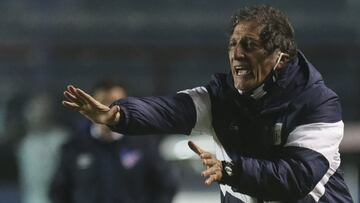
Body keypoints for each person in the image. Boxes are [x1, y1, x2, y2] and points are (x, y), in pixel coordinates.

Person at [62, 5, 353, 203]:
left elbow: (298, 177)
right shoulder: (221, 98)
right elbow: (170, 109)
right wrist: (118, 115)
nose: (237, 54)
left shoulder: (317, 103)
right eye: (233, 44)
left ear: (281, 58)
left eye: (249, 45)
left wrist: (232, 171)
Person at [51, 81, 178, 203]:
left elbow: (165, 186)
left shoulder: (144, 145)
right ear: (89, 106)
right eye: (102, 102)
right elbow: (58, 192)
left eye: (115, 104)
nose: (107, 109)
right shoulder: (74, 146)